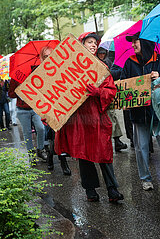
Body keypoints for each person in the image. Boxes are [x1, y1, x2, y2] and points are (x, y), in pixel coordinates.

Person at [54, 32, 124, 202]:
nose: (93, 45)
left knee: (103, 152)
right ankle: (90, 190)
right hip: (79, 121)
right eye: (89, 42)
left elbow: (111, 92)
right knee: (84, 154)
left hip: (97, 118)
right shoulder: (69, 69)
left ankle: (112, 189)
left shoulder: (102, 68)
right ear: (81, 44)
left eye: (95, 42)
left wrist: (98, 91)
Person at [120, 31, 160, 190]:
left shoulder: (158, 60)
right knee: (141, 148)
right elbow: (123, 85)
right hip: (138, 114)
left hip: (157, 113)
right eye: (132, 41)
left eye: (136, 41)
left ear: (146, 42)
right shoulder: (129, 63)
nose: (133, 44)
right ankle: (145, 179)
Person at [39, 46, 71, 176]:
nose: (49, 58)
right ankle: (62, 162)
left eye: (51, 55)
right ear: (42, 58)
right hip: (49, 110)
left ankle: (51, 158)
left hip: (62, 108)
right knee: (54, 136)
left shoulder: (61, 70)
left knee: (60, 136)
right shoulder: (39, 74)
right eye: (46, 56)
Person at [8, 69, 48, 164]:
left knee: (41, 128)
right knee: (27, 133)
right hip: (22, 110)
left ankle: (40, 150)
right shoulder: (15, 78)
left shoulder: (34, 73)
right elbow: (10, 94)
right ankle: (31, 154)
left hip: (34, 107)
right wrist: (19, 92)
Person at [97, 47, 127, 152]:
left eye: (103, 53)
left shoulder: (107, 62)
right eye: (100, 53)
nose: (101, 55)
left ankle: (117, 140)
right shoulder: (96, 63)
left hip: (107, 94)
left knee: (113, 117)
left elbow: (111, 75)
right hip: (99, 96)